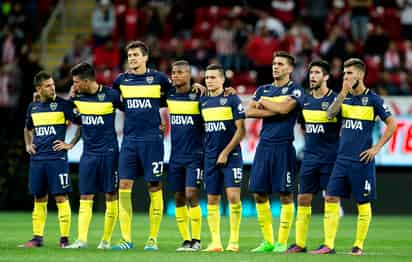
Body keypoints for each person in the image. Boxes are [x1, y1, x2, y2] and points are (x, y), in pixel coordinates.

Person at [311, 58, 396, 255]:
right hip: (341, 159)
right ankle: (328, 245)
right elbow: (329, 115)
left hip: (362, 161)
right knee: (330, 197)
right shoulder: (344, 97)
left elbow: (392, 124)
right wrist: (342, 93)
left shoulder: (374, 99)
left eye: (349, 73)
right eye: (344, 73)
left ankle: (358, 245)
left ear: (360, 75)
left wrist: (376, 148)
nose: (345, 77)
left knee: (362, 202)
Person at [111, 40, 174, 251]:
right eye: (129, 56)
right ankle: (126, 239)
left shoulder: (158, 79)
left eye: (136, 55)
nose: (132, 59)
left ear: (146, 57)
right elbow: (114, 102)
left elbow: (174, 95)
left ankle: (152, 239)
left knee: (154, 186)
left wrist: (196, 87)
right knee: (124, 186)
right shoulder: (121, 80)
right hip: (129, 141)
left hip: (152, 141)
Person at [246, 51, 304, 253]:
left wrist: (267, 103)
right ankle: (268, 241)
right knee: (258, 193)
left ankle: (281, 242)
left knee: (285, 194)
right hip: (264, 146)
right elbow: (249, 111)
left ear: (289, 68)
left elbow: (286, 110)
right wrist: (276, 107)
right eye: (274, 63)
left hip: (284, 146)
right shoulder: (264, 88)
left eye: (280, 64)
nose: (275, 67)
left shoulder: (296, 89)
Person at [64, 62, 122, 249]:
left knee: (110, 195)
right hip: (88, 154)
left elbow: (133, 111)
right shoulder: (77, 98)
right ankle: (81, 240)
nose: (74, 85)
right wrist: (71, 143)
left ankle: (105, 240)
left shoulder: (111, 95)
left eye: (76, 82)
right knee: (85, 196)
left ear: (87, 81)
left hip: (109, 153)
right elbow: (77, 123)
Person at [284, 60, 340, 253]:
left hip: (331, 158)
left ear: (326, 77)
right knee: (303, 199)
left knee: (331, 199)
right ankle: (300, 243)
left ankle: (329, 245)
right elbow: (302, 124)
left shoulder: (336, 100)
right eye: (311, 73)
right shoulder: (305, 101)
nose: (313, 76)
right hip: (309, 158)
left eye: (317, 73)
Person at [21, 71, 80, 248]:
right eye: (48, 85)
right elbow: (27, 128)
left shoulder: (63, 105)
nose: (52, 87)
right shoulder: (33, 107)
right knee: (39, 198)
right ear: (39, 89)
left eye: (53, 84)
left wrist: (70, 144)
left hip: (57, 159)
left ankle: (64, 239)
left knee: (61, 198)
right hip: (38, 160)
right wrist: (28, 145)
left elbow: (82, 124)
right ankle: (37, 238)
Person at [200, 64, 245, 252]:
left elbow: (241, 131)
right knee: (212, 200)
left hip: (231, 155)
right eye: (207, 77)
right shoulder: (201, 102)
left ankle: (233, 241)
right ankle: (216, 242)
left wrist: (225, 152)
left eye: (213, 77)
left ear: (222, 80)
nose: (209, 80)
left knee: (233, 197)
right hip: (210, 157)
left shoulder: (232, 99)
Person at [167, 60, 203, 251]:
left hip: (195, 155)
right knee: (179, 197)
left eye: (180, 72)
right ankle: (186, 240)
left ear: (189, 75)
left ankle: (196, 240)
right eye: (173, 72)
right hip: (175, 156)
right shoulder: (169, 94)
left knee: (191, 194)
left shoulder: (199, 97)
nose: (176, 75)